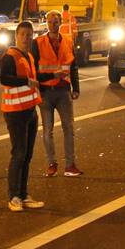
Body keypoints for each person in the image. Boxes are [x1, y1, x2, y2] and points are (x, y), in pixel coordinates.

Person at [0, 21, 44, 212]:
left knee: (27, 155)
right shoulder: (10, 56)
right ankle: (14, 196)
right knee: (18, 154)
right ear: (16, 36)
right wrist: (26, 81)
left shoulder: (29, 56)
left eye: (29, 34)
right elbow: (4, 78)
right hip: (15, 112)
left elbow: (34, 81)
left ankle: (24, 195)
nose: (26, 38)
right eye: (23, 34)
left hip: (30, 110)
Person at [33, 10, 83, 177]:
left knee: (69, 128)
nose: (53, 25)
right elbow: (34, 71)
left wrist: (75, 88)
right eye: (50, 22)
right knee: (48, 130)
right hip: (46, 92)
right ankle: (51, 163)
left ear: (60, 22)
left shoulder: (67, 41)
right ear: (46, 23)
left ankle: (70, 165)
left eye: (56, 22)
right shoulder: (38, 43)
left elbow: (73, 66)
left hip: (63, 91)